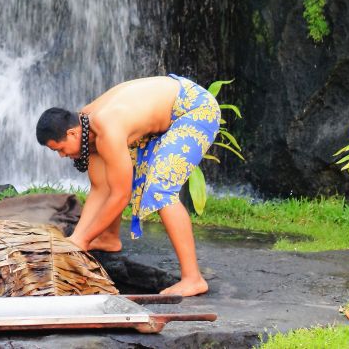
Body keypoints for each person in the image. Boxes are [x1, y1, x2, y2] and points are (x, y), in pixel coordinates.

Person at [36, 74, 220, 296]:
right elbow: (100, 188)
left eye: (60, 149)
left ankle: (193, 278)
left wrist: (82, 239)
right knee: (111, 177)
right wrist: (78, 239)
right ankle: (108, 239)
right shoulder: (86, 126)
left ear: (72, 133)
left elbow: (120, 195)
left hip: (194, 108)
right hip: (165, 112)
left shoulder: (107, 128)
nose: (61, 156)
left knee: (161, 187)